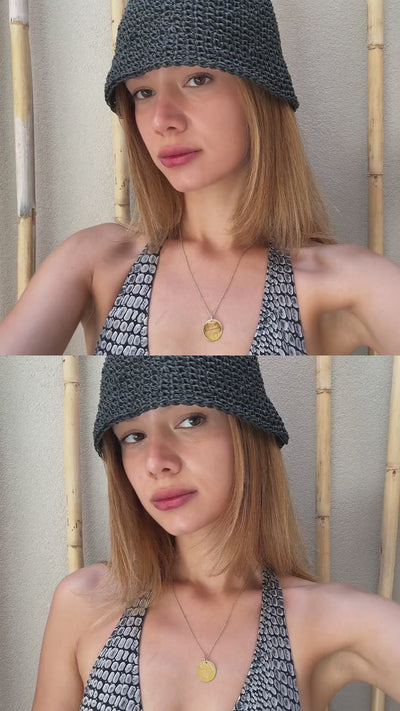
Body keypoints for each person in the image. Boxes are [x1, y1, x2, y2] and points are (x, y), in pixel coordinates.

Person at [1, 0, 400, 356]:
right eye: (143, 93)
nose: (162, 120)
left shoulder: (345, 283)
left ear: (259, 94)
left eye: (197, 79)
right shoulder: (96, 262)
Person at [31, 356, 400, 711]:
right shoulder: (85, 604)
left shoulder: (324, 618)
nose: (156, 461)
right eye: (133, 436)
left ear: (246, 432)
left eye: (191, 420)